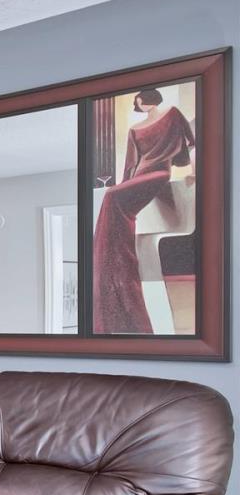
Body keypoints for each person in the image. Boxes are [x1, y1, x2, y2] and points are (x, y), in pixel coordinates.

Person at [92, 88, 194, 334]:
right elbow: (131, 164)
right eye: (137, 103)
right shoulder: (135, 129)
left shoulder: (172, 114)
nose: (139, 105)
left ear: (150, 99)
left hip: (159, 173)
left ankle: (113, 254)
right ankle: (113, 261)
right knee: (112, 194)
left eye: (140, 101)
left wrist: (193, 171)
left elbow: (188, 144)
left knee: (111, 196)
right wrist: (124, 182)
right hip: (139, 176)